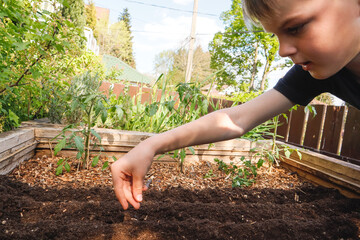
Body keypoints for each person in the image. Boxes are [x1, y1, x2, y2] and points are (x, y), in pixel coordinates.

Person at [111, 0, 360, 210]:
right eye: (276, 36)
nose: (283, 50)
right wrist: (151, 145)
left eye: (295, 27)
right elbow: (236, 119)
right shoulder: (317, 72)